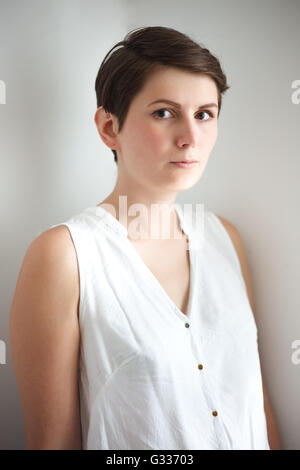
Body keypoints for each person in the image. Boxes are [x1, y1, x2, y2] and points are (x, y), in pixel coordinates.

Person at [9, 26, 281, 450]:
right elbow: (52, 441)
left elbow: (257, 403)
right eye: (164, 113)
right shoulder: (65, 257)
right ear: (108, 127)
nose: (190, 137)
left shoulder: (225, 239)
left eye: (205, 114)